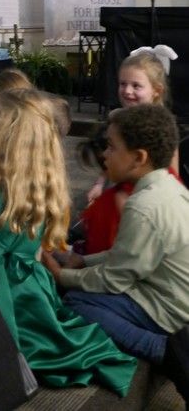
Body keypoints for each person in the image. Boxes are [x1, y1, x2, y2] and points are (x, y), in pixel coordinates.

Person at [0, 89, 137, 394]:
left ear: (1, 133)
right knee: (57, 334)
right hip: (28, 294)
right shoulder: (45, 185)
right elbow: (37, 252)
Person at [43, 104, 189, 406]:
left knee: (75, 303)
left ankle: (161, 349)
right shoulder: (169, 189)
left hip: (168, 309)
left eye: (111, 146)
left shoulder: (143, 205)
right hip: (172, 296)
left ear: (138, 158)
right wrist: (85, 261)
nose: (105, 154)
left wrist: (63, 276)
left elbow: (115, 279)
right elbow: (128, 254)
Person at [80, 49, 179, 254]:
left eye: (136, 86)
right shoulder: (117, 117)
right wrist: (99, 184)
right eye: (122, 84)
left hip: (146, 195)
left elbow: (172, 172)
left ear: (156, 91)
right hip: (120, 186)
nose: (127, 91)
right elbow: (109, 156)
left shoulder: (162, 127)